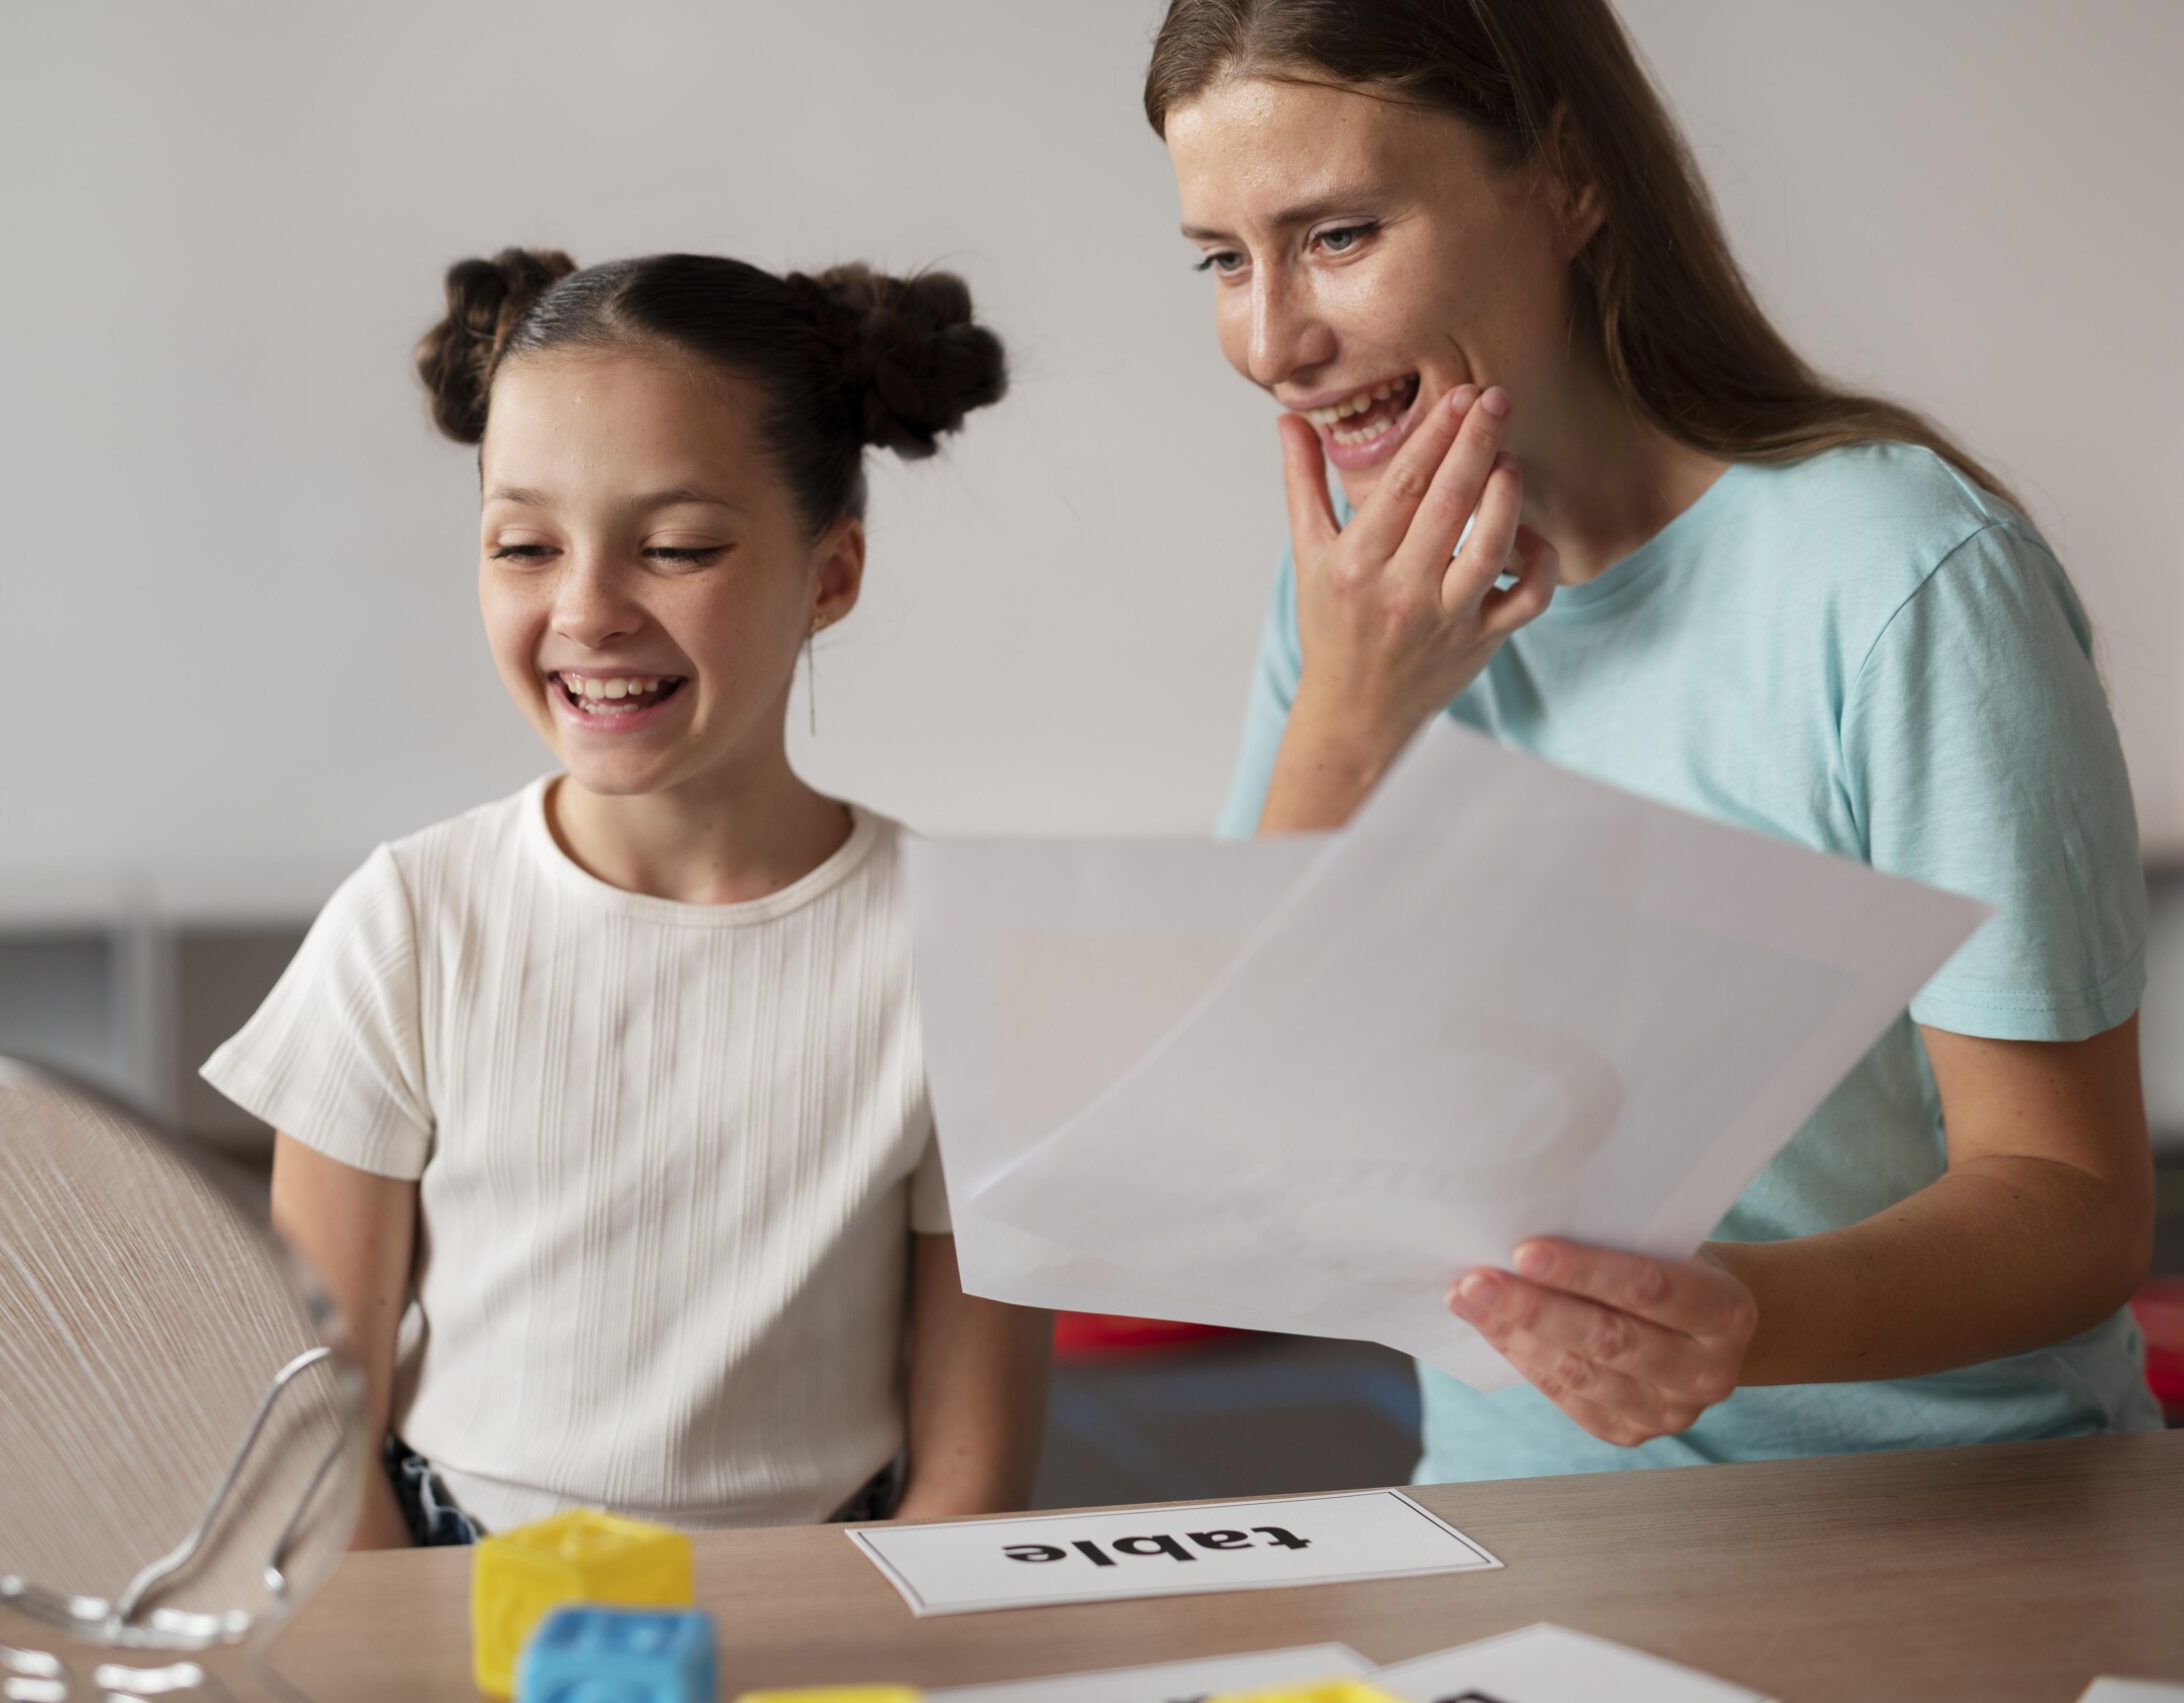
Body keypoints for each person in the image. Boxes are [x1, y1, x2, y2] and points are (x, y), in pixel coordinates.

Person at [1145, 0, 2161, 1480]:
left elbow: (2071, 1198)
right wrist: (1347, 723)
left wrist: (1740, 1319)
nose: (1272, 340)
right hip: (1517, 1533)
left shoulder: (1900, 576)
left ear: (1567, 179)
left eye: (1341, 235)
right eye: (1223, 261)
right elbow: (1253, 1147)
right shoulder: (1358, 608)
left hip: (1945, 1522)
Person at [202, 248, 1052, 1543]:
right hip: (458, 1587)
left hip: (834, 1592)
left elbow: (972, 1476)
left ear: (831, 574)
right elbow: (322, 1424)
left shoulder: (958, 948)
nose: (587, 609)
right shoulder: (409, 926)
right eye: (525, 545)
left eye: (675, 547)